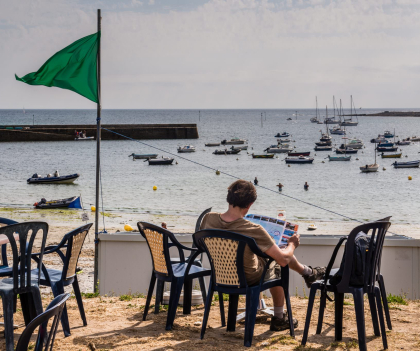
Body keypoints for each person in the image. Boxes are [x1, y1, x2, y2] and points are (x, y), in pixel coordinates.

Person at [200, 180, 325, 331]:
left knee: (268, 255)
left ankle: (308, 273)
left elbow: (202, 244)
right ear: (250, 204)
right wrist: (292, 244)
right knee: (279, 262)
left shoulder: (208, 218)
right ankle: (279, 317)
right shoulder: (253, 229)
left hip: (221, 275)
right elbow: (284, 259)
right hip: (249, 278)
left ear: (229, 197)